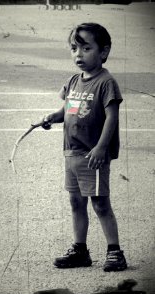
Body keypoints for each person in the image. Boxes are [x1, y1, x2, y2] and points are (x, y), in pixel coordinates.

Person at [41, 23, 127, 272]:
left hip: (93, 156)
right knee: (76, 203)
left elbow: (112, 117)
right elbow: (67, 110)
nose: (78, 54)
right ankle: (80, 250)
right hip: (72, 154)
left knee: (100, 204)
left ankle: (115, 252)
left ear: (103, 52)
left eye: (86, 48)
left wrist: (101, 148)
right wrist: (52, 117)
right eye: (74, 49)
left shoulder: (106, 82)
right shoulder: (72, 81)